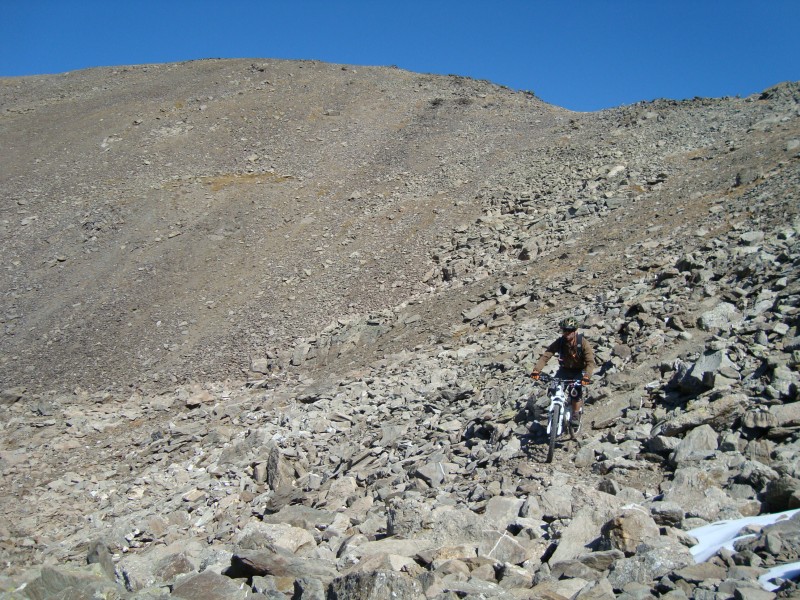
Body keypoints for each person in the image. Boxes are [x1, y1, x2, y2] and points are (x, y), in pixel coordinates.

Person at [530, 317, 595, 431]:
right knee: (553, 388)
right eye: (564, 330)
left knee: (575, 392)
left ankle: (575, 414)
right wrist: (536, 370)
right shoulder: (560, 342)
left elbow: (590, 362)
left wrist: (586, 377)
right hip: (564, 370)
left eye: (569, 331)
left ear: (575, 331)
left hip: (579, 371)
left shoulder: (582, 343)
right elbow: (547, 355)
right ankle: (555, 410)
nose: (566, 333)